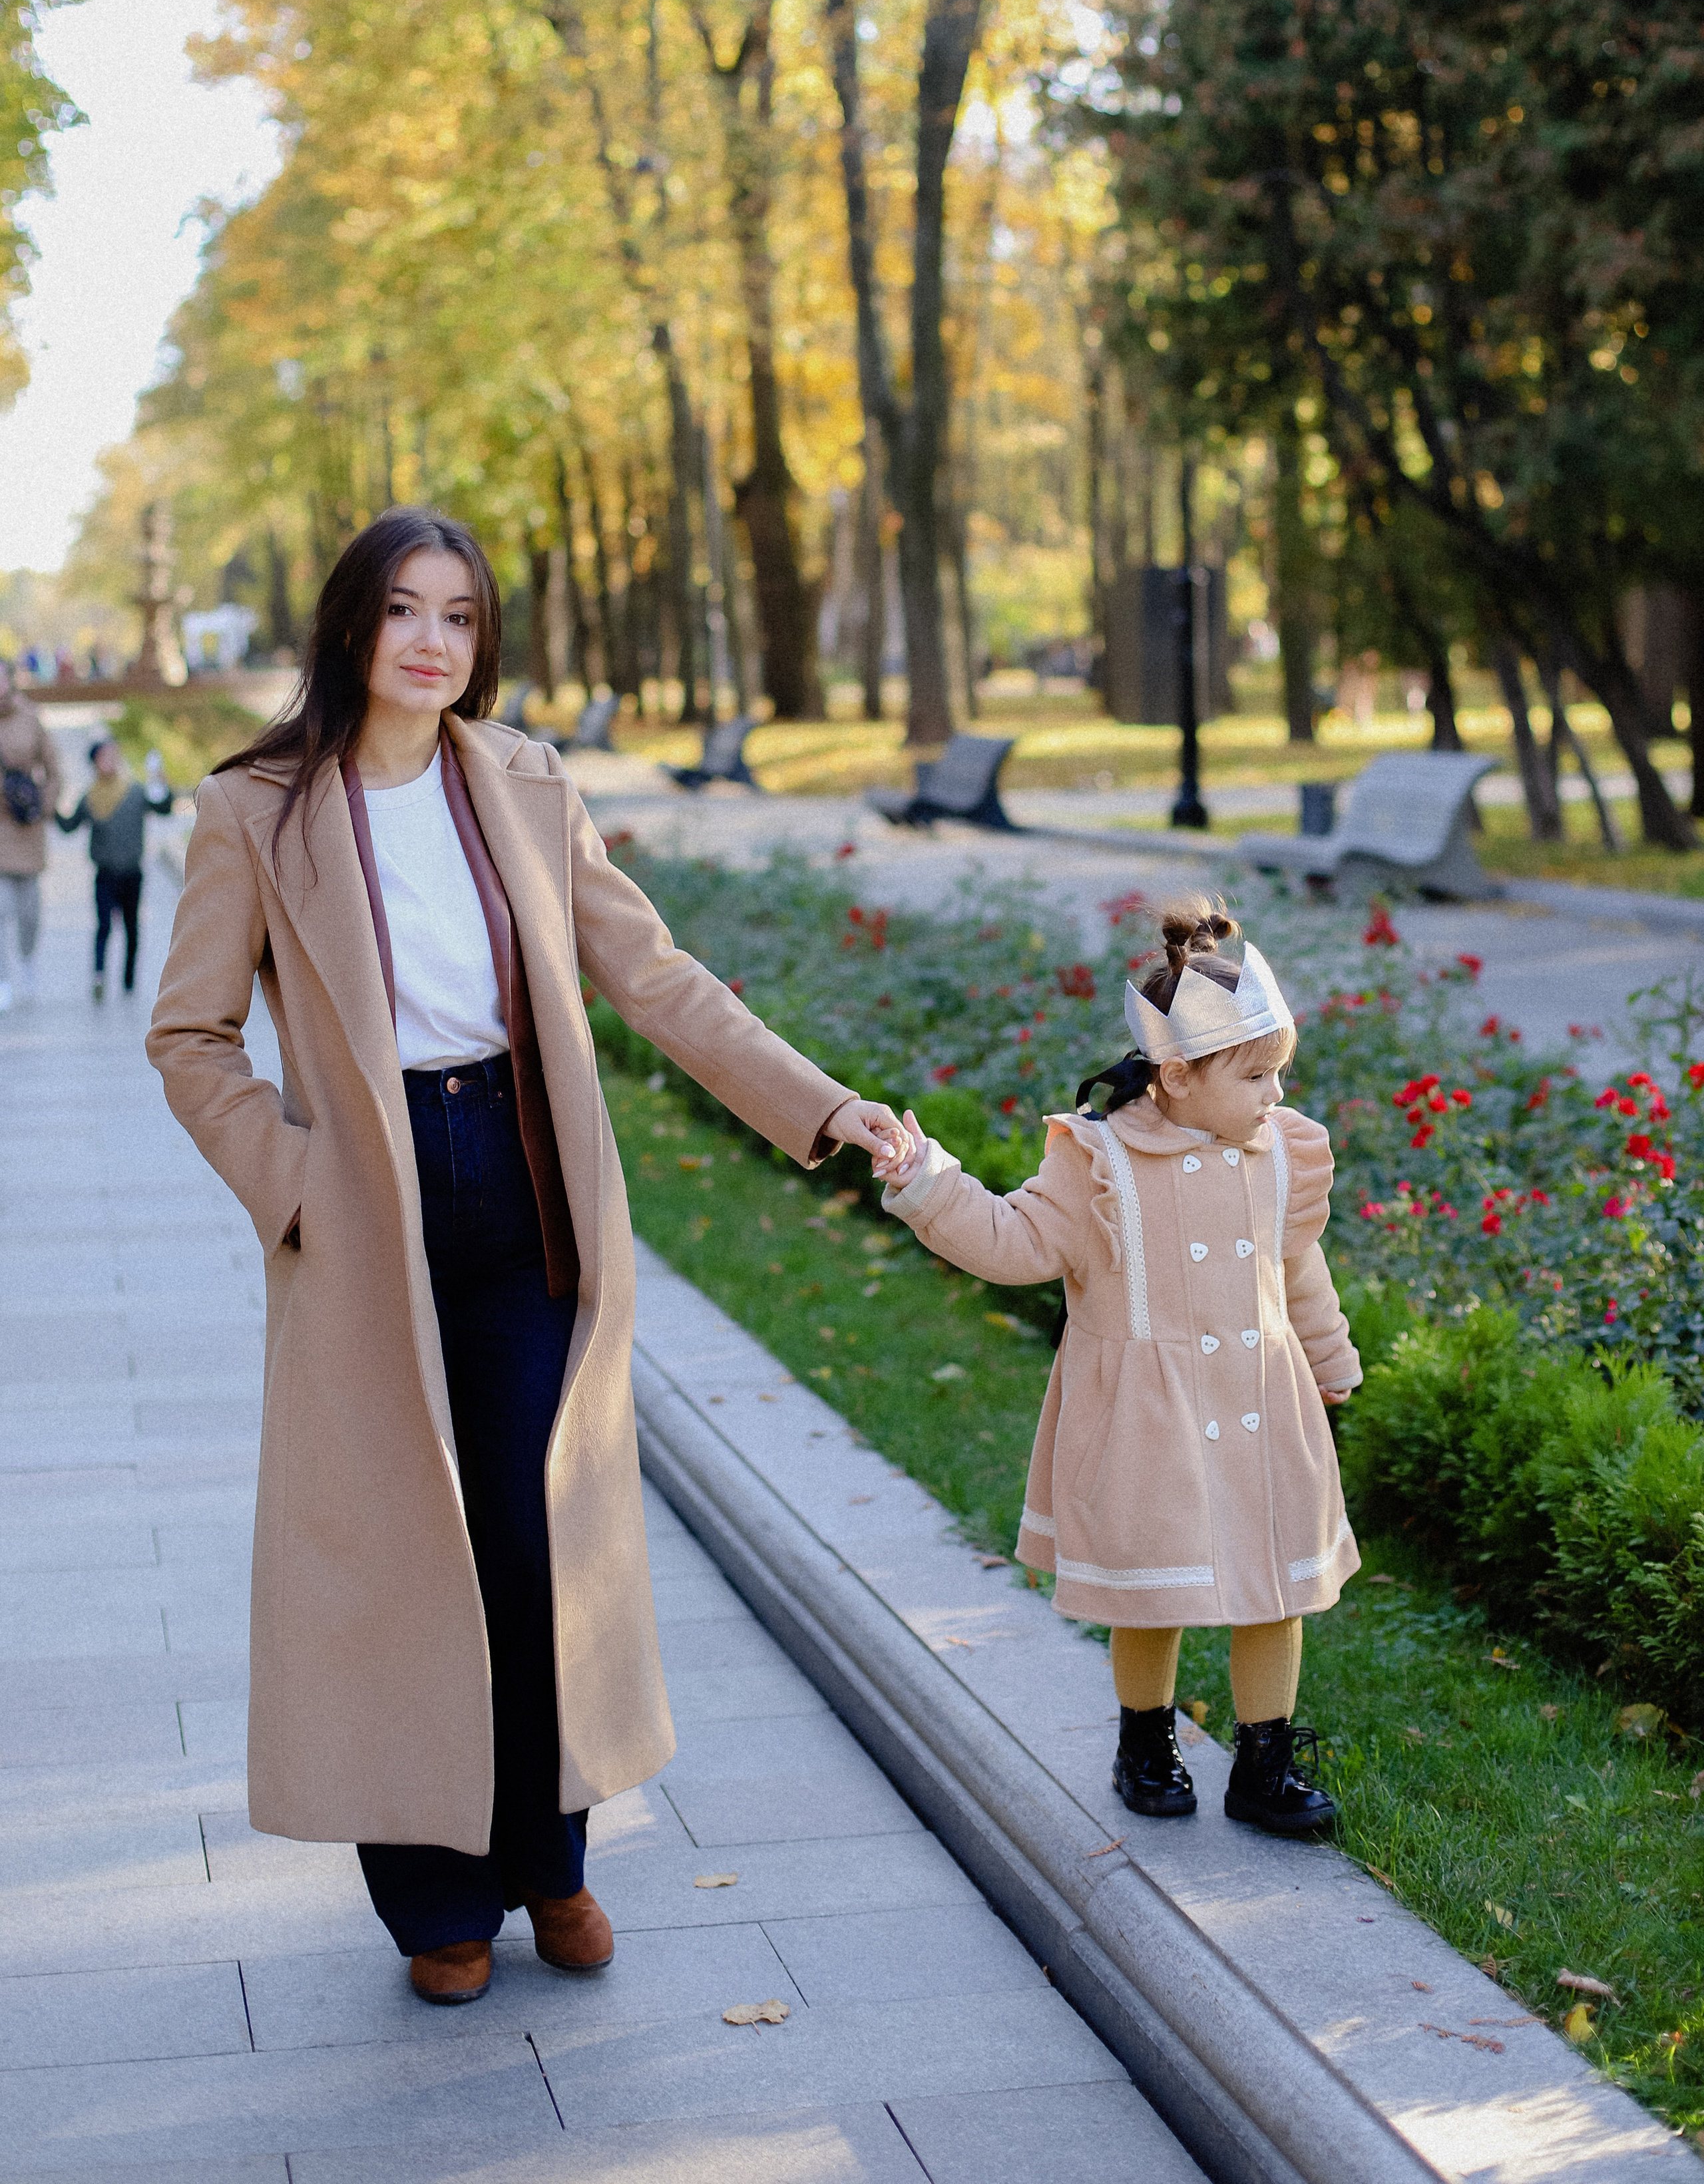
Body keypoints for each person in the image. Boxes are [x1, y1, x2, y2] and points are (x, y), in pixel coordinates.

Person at [145, 506, 905, 2008]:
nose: (432, 643)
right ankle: (435, 1899)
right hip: (368, 1208)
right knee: (399, 1559)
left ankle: (548, 1863)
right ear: (351, 627)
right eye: (404, 613)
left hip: (524, 1187)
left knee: (526, 1541)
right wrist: (292, 1184)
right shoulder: (256, 808)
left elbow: (657, 979)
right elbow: (188, 1035)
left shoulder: (526, 787)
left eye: (460, 618)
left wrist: (819, 1110)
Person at [873, 898, 1362, 1839]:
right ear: (1176, 1075)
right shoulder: (1097, 1163)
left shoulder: (1277, 1155)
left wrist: (1329, 1357)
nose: (1275, 1094)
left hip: (1263, 1401)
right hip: (1150, 1417)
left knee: (1276, 1585)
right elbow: (1014, 1241)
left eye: (1280, 1073)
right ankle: (1147, 1740)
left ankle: (1265, 1760)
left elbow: (1295, 1268)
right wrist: (928, 1179)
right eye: (1256, 1075)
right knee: (1157, 1585)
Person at [56, 738, 173, 1000]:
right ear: (95, 763)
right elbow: (68, 826)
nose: (111, 761)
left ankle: (128, 981)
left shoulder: (135, 791)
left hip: (133, 873)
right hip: (105, 874)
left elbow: (163, 808)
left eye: (114, 756)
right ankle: (99, 975)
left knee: (132, 927)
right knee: (104, 926)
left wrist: (162, 783)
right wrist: (51, 801)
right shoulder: (89, 798)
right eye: (105, 757)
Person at [0, 656, 61, 1011]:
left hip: (27, 826)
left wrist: (46, 804)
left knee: (29, 913)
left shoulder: (30, 717)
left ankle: (27, 962)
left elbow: (54, 769)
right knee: (1, 910)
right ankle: (4, 979)